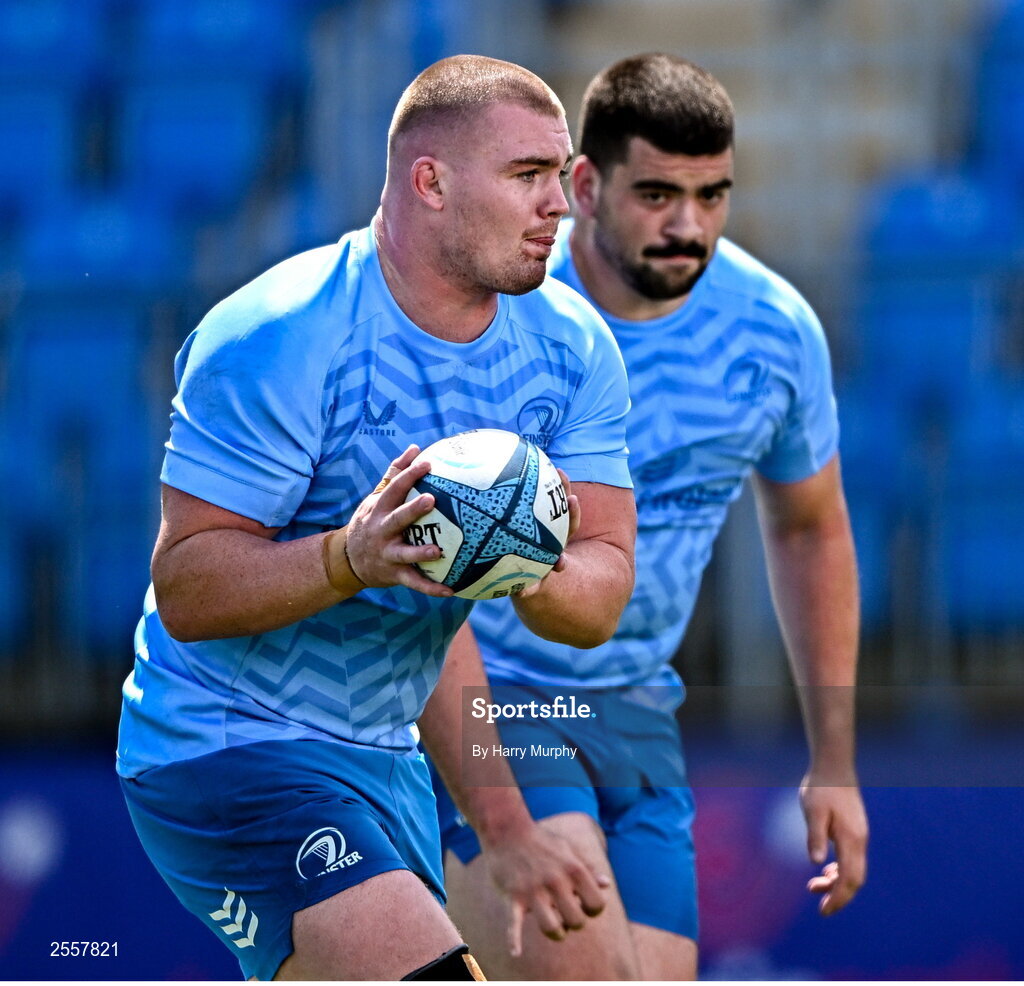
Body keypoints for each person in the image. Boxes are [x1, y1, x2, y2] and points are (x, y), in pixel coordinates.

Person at [115, 54, 638, 982]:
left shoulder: (572, 350)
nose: (561, 202)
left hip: (385, 754)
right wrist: (346, 557)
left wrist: (525, 555)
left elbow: (594, 599)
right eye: (528, 176)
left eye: (561, 175)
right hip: (229, 745)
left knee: (594, 971)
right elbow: (188, 586)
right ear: (429, 182)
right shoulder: (280, 334)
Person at [426, 52, 869, 980]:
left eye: (713, 197)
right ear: (585, 185)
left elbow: (809, 526)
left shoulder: (774, 332)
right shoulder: (493, 316)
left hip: (637, 710)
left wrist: (833, 756)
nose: (688, 226)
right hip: (498, 698)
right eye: (659, 194)